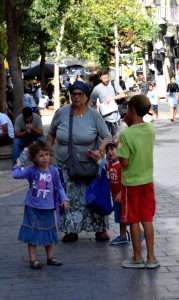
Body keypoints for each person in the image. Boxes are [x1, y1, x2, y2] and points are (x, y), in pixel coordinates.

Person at [47, 81, 112, 242]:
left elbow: (107, 136)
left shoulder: (93, 115)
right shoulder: (61, 113)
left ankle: (99, 228)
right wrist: (47, 154)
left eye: (80, 94)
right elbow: (51, 134)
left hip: (88, 164)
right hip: (64, 163)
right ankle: (70, 229)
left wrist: (100, 150)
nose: (76, 97)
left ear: (86, 97)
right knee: (68, 197)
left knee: (93, 195)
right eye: (73, 94)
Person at [117, 95, 160, 269]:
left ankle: (137, 257)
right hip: (147, 181)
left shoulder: (125, 135)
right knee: (147, 218)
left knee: (133, 220)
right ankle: (151, 257)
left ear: (132, 110)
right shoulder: (150, 129)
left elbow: (125, 162)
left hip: (131, 183)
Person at [13, 141, 69, 269]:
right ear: (33, 158)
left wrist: (64, 199)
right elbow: (16, 175)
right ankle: (33, 260)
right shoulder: (31, 171)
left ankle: (50, 257)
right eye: (41, 155)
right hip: (32, 207)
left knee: (48, 231)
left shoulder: (54, 171)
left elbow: (59, 187)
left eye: (47, 154)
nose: (45, 158)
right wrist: (19, 164)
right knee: (32, 232)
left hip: (48, 207)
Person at [90, 68, 126, 138]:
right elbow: (91, 101)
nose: (106, 80)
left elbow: (123, 94)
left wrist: (112, 98)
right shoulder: (97, 88)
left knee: (116, 138)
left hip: (116, 117)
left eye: (107, 77)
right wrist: (95, 110)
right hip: (103, 118)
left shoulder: (113, 83)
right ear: (100, 78)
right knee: (105, 139)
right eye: (104, 78)